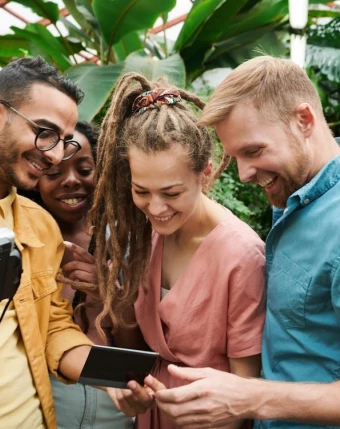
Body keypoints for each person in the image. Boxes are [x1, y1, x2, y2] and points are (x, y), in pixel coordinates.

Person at [148, 55, 340, 429]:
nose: (245, 173)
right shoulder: (299, 188)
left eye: (253, 151)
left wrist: (249, 397)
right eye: (235, 156)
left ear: (304, 120)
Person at [87, 72, 266, 429]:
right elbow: (138, 347)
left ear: (206, 174)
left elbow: (245, 390)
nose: (155, 208)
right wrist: (128, 390)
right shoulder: (144, 237)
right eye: (141, 191)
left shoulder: (242, 256)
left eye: (171, 193)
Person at [0, 57, 94, 429]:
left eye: (64, 142)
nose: (53, 155)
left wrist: (108, 376)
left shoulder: (41, 227)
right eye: (45, 132)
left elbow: (51, 323)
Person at [35, 120, 133, 429]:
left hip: (114, 411)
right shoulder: (26, 243)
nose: (71, 181)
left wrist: (108, 300)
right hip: (44, 408)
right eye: (53, 173)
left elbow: (135, 347)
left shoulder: (125, 242)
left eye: (85, 169)